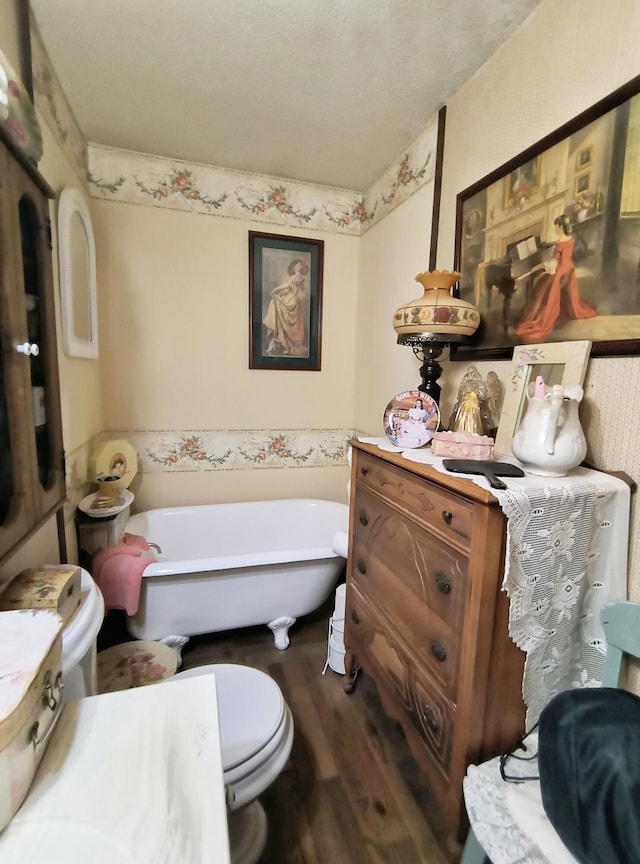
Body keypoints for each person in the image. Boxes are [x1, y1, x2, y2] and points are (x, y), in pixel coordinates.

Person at [514, 214, 596, 343]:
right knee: (542, 282)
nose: (554, 229)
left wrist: (541, 266)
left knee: (540, 286)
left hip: (560, 272)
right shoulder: (570, 239)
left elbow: (554, 261)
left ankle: (535, 313)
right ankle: (531, 310)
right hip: (569, 269)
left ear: (559, 226)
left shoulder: (559, 243)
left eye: (555, 227)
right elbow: (563, 259)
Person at [263, 258, 309, 356]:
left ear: (302, 267)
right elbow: (289, 289)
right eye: (296, 264)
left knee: (277, 304)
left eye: (299, 265)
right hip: (290, 299)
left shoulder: (298, 277)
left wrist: (276, 290)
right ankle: (278, 342)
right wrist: (278, 293)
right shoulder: (294, 277)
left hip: (292, 302)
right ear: (293, 266)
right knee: (276, 303)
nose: (298, 266)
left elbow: (287, 286)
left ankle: (284, 343)